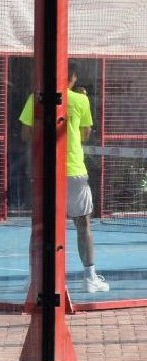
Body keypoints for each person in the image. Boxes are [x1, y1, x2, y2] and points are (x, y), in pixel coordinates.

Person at [19, 62, 110, 293]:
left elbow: (26, 134)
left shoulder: (35, 99)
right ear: (73, 78)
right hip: (74, 171)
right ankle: (90, 278)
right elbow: (85, 135)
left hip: (45, 171)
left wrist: (44, 139)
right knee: (83, 223)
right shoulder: (81, 100)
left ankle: (35, 279)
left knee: (39, 226)